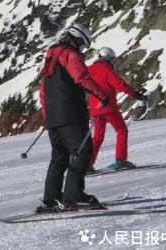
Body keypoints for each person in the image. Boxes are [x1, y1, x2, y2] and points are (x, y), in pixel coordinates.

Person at [37, 23, 111, 213]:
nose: (83, 49)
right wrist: (102, 95)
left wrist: (49, 116)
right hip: (70, 113)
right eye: (83, 45)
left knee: (59, 157)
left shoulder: (50, 57)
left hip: (53, 117)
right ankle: (73, 197)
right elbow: (82, 78)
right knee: (83, 152)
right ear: (78, 39)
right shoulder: (71, 55)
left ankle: (51, 199)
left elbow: (42, 91)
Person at [87, 47, 147, 171]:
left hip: (95, 109)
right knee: (121, 130)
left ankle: (87, 163)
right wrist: (136, 95)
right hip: (108, 107)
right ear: (109, 58)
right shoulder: (106, 70)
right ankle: (120, 160)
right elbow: (120, 84)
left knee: (98, 136)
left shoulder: (89, 70)